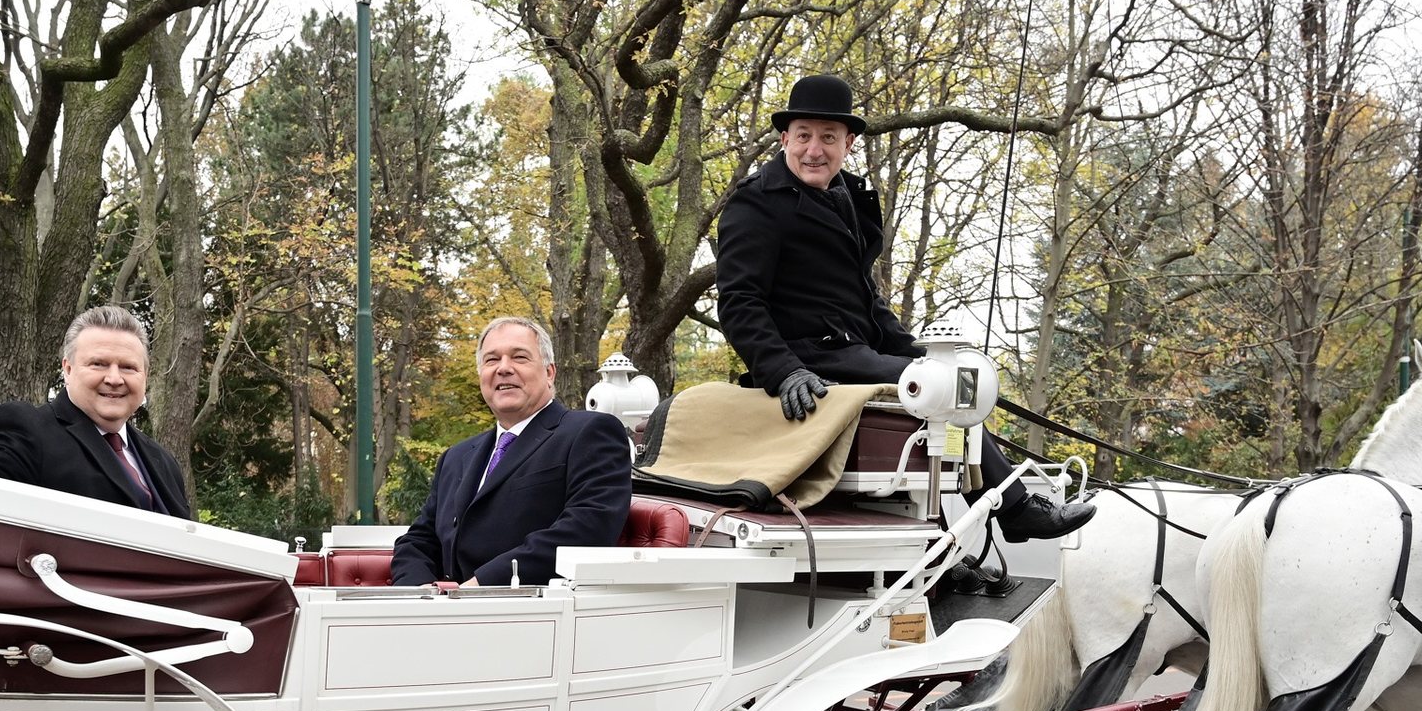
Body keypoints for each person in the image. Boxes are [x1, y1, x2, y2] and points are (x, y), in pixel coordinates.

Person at [715, 74, 1094, 542]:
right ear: (784, 138)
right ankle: (1013, 509)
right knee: (941, 387)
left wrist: (920, 353)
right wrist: (783, 371)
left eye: (828, 138)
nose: (815, 149)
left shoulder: (849, 197)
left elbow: (865, 300)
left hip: (853, 350)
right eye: (804, 136)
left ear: (848, 143)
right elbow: (738, 301)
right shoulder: (756, 203)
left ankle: (945, 545)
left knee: (953, 379)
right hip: (807, 359)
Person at [392, 318, 632, 586]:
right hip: (443, 615)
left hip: (532, 612)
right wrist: (418, 594)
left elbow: (587, 529)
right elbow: (418, 540)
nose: (504, 368)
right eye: (491, 360)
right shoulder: (456, 457)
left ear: (549, 372)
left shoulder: (590, 432)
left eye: (519, 357)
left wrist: (482, 584)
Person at [0, 304, 192, 517]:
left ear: (145, 377)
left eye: (128, 367)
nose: (114, 378)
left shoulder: (164, 461)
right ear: (68, 370)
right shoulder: (29, 430)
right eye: (98, 364)